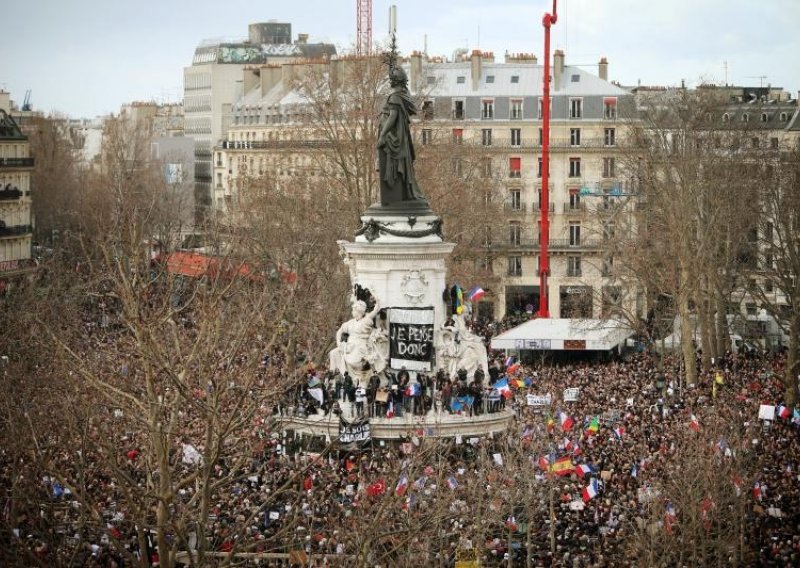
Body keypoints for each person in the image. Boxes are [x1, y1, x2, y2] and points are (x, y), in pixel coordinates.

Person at [377, 66, 426, 204]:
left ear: (394, 81)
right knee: (403, 165)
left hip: (394, 137)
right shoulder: (403, 95)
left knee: (394, 165)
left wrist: (382, 135)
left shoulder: (395, 97)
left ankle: (400, 194)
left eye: (391, 79)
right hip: (400, 135)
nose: (389, 82)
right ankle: (406, 191)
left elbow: (392, 117)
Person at [329, 298, 386, 382]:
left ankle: (369, 373)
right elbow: (339, 332)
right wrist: (338, 343)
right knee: (333, 353)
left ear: (358, 311)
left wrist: (377, 300)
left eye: (353, 310)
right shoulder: (350, 323)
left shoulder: (366, 320)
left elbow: (375, 310)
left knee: (360, 358)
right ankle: (333, 374)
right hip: (349, 346)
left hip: (361, 346)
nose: (352, 311)